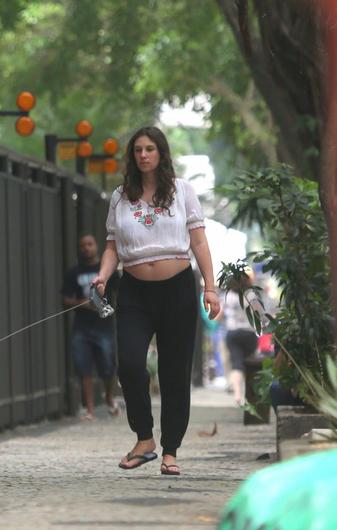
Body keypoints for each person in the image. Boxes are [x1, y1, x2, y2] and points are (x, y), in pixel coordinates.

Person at [91, 126, 220, 476]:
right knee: (130, 364)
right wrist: (103, 275)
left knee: (174, 372)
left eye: (150, 149)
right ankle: (144, 439)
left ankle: (171, 451)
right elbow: (112, 246)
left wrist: (210, 287)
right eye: (137, 150)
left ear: (161, 153)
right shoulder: (120, 196)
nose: (143, 155)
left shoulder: (183, 192)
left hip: (178, 287)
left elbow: (200, 242)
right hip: (133, 289)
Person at [61, 234, 119, 421]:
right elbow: (64, 299)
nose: (86, 248)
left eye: (90, 244)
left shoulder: (107, 270)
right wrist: (82, 303)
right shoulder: (73, 273)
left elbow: (120, 292)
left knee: (108, 365)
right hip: (81, 327)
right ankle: (90, 410)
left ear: (96, 246)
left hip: (104, 326)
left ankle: (109, 396)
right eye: (83, 245)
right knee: (83, 367)